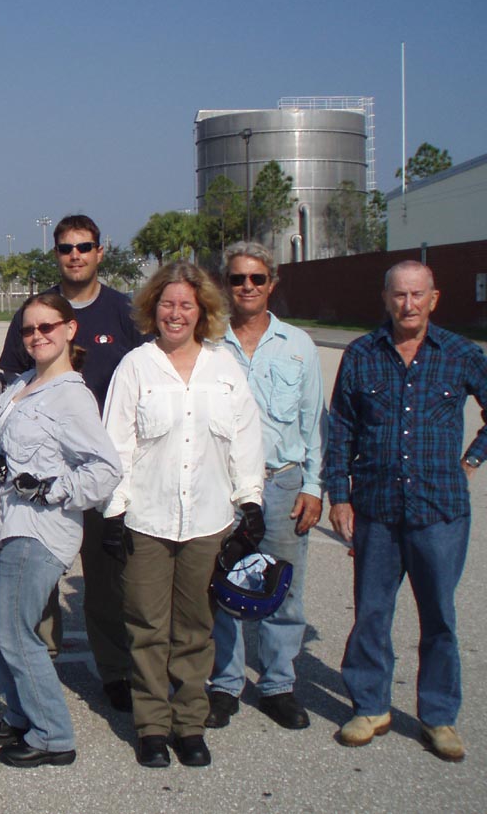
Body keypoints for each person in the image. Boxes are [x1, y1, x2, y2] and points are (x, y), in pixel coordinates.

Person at [102, 261, 264, 768]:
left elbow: (245, 439)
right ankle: (152, 726)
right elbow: (117, 444)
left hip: (209, 521)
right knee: (147, 625)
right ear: (153, 309)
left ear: (203, 311)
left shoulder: (224, 367)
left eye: (186, 305)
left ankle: (189, 722)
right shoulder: (136, 366)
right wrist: (113, 512)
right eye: (167, 304)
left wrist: (251, 502)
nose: (176, 314)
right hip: (146, 520)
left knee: (196, 627)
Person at [325, 261, 487, 762]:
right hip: (376, 510)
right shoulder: (361, 354)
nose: (408, 304)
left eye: (418, 295)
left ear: (434, 299)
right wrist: (339, 495)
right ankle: (370, 706)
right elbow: (341, 429)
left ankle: (438, 716)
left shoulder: (461, 354)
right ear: (386, 298)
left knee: (438, 617)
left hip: (440, 511)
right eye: (399, 295)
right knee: (372, 614)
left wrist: (472, 459)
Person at [0, 293, 122, 767]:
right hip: (11, 522)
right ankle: (21, 713)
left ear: (70, 330)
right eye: (28, 330)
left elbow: (106, 470)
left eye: (46, 327)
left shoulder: (72, 396)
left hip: (42, 530)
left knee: (15, 631)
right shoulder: (22, 384)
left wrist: (53, 488)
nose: (36, 337)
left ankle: (53, 734)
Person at [0, 213, 143, 709]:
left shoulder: (124, 312)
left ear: (100, 251)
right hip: (43, 473)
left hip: (100, 471)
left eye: (84, 246)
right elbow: (10, 384)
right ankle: (38, 667)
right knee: (38, 581)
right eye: (66, 248)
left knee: (105, 580)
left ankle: (115, 671)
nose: (75, 255)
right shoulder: (37, 313)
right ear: (56, 254)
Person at [206, 242, 326, 731]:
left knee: (283, 586)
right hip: (224, 484)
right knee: (223, 584)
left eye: (257, 278)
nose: (247, 287)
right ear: (226, 284)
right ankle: (225, 683)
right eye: (238, 278)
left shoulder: (298, 345)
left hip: (282, 482)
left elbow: (313, 421)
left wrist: (313, 485)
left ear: (272, 283)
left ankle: (278, 685)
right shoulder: (210, 344)